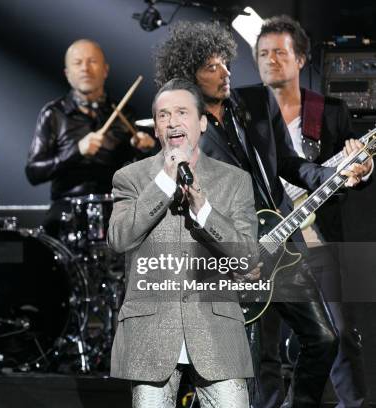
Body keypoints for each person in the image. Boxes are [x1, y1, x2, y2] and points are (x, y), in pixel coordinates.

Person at [154, 21, 372, 407]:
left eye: (225, 63)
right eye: (211, 67)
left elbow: (287, 162)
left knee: (325, 340)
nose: (225, 73)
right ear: (188, 76)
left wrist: (335, 175)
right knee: (259, 364)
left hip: (282, 244)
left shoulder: (254, 103)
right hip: (233, 260)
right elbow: (185, 206)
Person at [108, 78, 258, 407]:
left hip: (216, 330)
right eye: (163, 115)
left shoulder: (235, 180)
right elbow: (118, 239)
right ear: (156, 128)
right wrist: (163, 182)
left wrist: (204, 211)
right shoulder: (130, 178)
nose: (172, 122)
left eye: (181, 112)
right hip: (151, 333)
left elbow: (247, 258)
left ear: (202, 122)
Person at [256, 15, 369, 407]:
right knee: (263, 348)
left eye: (280, 52)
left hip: (317, 241)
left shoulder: (330, 111)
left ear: (301, 59)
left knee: (340, 336)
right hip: (267, 247)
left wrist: (363, 168)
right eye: (263, 53)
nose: (271, 60)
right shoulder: (246, 116)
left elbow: (353, 170)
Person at [25, 38, 155, 236]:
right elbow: (34, 173)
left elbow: (140, 176)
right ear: (67, 74)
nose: (85, 68)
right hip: (67, 209)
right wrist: (76, 151)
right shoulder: (53, 114)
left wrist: (145, 151)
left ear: (105, 70)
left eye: (92, 61)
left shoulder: (125, 114)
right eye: (78, 63)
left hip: (117, 208)